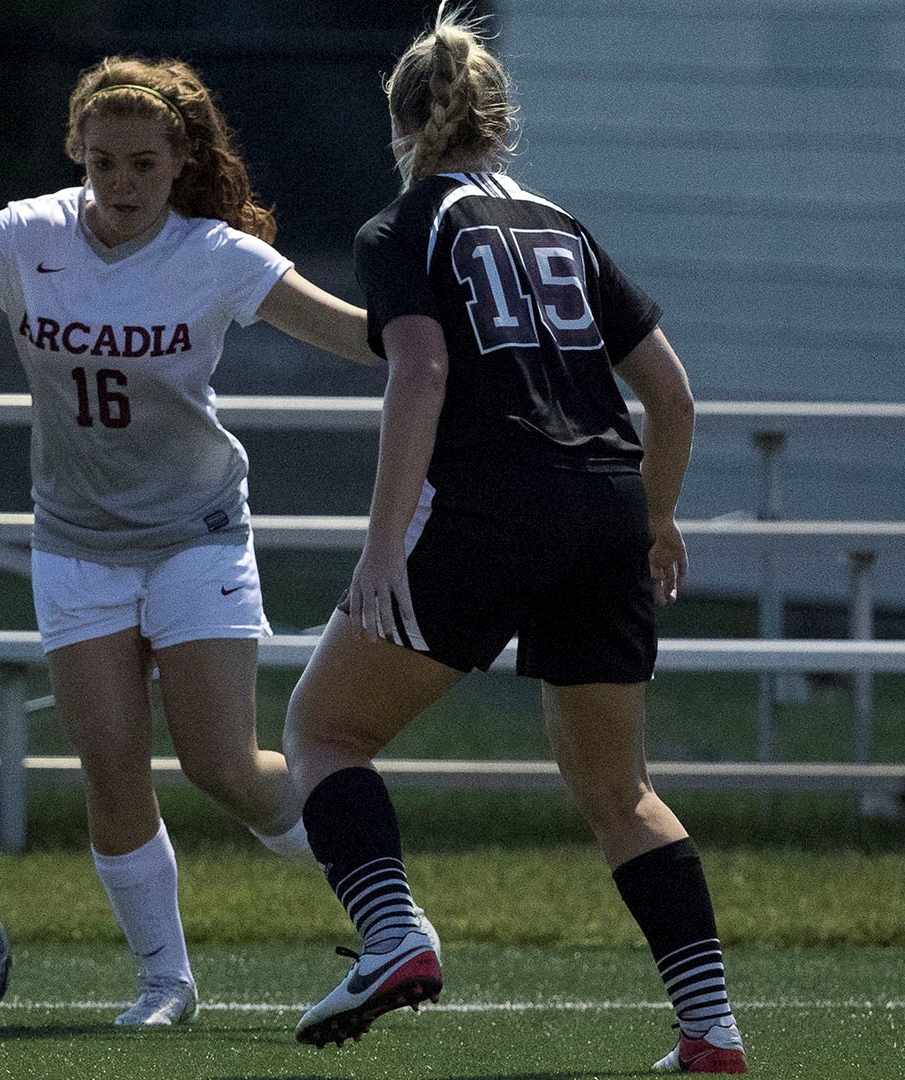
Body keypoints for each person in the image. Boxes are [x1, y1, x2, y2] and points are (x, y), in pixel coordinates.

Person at [0, 55, 381, 1026]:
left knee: (224, 766)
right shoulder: (27, 234)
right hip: (77, 541)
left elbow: (359, 336)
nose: (123, 184)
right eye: (104, 164)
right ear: (78, 156)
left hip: (197, 531)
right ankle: (165, 984)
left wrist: (458, 329)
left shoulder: (216, 255)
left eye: (143, 164)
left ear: (181, 160)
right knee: (113, 771)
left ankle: (387, 913)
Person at [281, 9, 747, 1073]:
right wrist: (659, 518)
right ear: (500, 121)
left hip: (498, 498)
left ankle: (395, 935)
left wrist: (384, 539)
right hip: (605, 504)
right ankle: (711, 1029)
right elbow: (670, 396)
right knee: (618, 793)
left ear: (400, 123)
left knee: (324, 732)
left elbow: (421, 372)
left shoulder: (404, 228)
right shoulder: (561, 224)